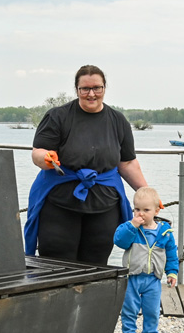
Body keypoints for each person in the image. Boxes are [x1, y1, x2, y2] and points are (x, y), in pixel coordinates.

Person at [24, 65, 149, 264]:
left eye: (97, 88)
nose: (91, 94)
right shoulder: (57, 116)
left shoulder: (118, 121)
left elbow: (127, 163)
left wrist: (147, 194)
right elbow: (37, 153)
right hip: (59, 203)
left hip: (105, 204)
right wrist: (46, 158)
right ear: (77, 90)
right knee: (56, 264)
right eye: (85, 89)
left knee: (96, 265)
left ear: (104, 88)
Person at [114, 187, 178, 333]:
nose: (140, 213)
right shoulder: (132, 229)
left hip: (153, 279)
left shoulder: (165, 232)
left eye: (146, 210)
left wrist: (172, 273)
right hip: (132, 277)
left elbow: (171, 255)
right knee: (130, 308)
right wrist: (132, 226)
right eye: (137, 209)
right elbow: (119, 241)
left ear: (156, 211)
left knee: (152, 309)